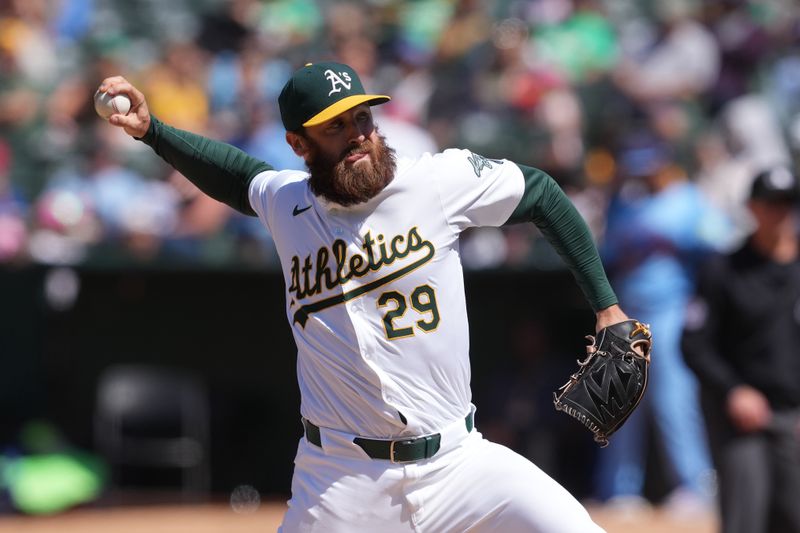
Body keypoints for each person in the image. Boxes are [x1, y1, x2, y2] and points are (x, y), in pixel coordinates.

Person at [96, 61, 635, 532]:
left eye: (362, 118)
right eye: (336, 126)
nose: (357, 135)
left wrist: (606, 307)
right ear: (299, 145)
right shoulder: (288, 205)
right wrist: (153, 130)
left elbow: (540, 193)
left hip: (461, 462)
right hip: (340, 480)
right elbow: (239, 178)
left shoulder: (435, 183)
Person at [594, 135, 729, 515]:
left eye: (648, 164)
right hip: (627, 311)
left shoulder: (689, 200)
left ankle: (694, 485)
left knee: (675, 400)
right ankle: (619, 489)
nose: (643, 172)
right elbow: (605, 254)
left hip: (672, 308)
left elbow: (724, 242)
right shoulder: (623, 204)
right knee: (621, 400)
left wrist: (681, 242)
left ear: (665, 162)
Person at [682, 166, 800, 533]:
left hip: (794, 416)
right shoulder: (724, 269)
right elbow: (693, 343)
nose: (779, 213)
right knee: (747, 516)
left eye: (787, 204)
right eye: (770, 204)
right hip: (742, 418)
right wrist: (733, 390)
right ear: (752, 208)